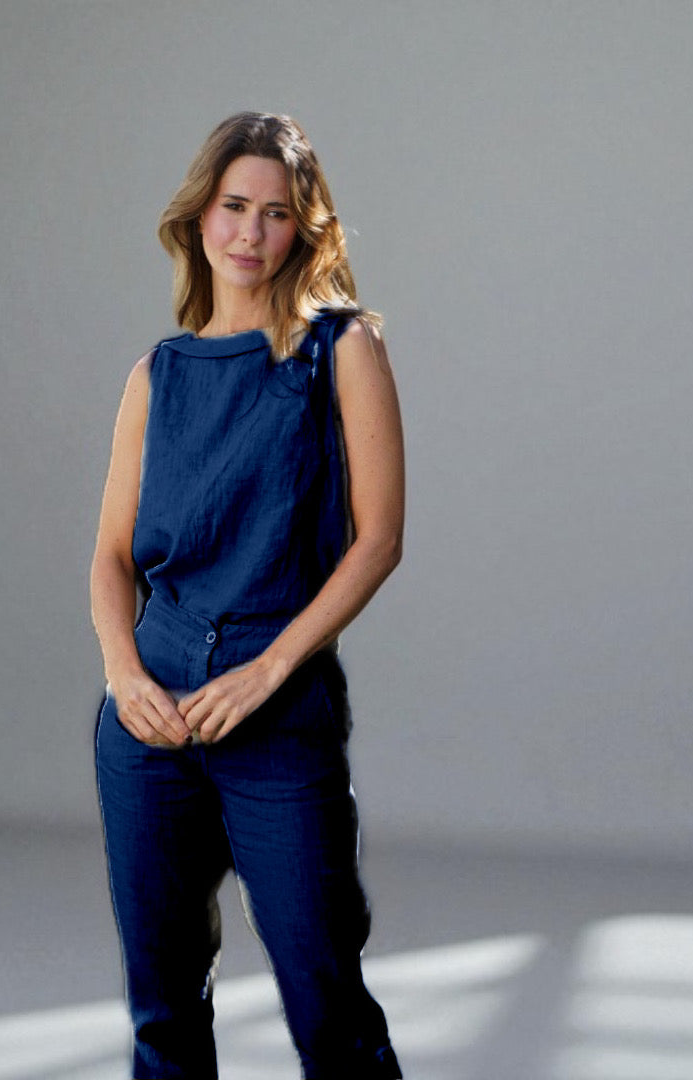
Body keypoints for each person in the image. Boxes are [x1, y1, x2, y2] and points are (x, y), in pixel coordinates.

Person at [90, 111, 405, 1079]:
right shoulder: (157, 375)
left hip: (277, 701)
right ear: (201, 217)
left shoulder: (340, 351)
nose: (250, 233)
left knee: (326, 996)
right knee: (164, 1009)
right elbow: (110, 557)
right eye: (234, 206)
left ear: (303, 229)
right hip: (152, 707)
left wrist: (270, 670)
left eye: (275, 213)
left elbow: (379, 541)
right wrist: (123, 676)